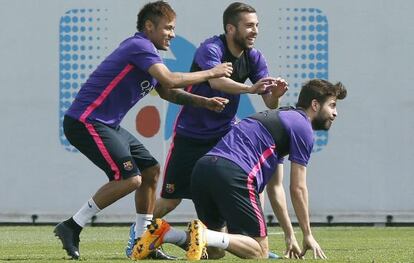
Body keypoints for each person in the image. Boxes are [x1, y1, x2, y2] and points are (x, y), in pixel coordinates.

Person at [53, 1, 233, 260]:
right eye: (168, 28)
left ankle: (142, 240)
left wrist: (203, 102)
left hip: (107, 124)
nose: (172, 34)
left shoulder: (148, 53)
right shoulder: (139, 46)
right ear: (149, 26)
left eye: (173, 29)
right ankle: (72, 225)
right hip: (86, 121)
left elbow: (168, 91)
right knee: (130, 178)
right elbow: (170, 79)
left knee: (150, 170)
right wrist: (211, 72)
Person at [131, 79, 347, 260]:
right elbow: (298, 188)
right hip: (233, 174)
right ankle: (203, 234)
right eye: (333, 105)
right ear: (315, 105)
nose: (335, 113)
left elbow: (276, 188)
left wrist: (290, 235)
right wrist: (308, 234)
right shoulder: (302, 127)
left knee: (215, 251)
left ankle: (166, 233)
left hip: (203, 170)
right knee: (259, 250)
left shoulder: (282, 121)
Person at [152, 1, 287, 224]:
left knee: (249, 182)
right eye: (249, 26)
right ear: (231, 28)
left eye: (257, 25)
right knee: (170, 200)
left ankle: (253, 239)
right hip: (191, 135)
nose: (255, 31)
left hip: (224, 137)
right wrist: (249, 88)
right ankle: (138, 233)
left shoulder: (254, 57)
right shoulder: (211, 48)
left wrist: (276, 94)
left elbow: (270, 102)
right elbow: (217, 82)